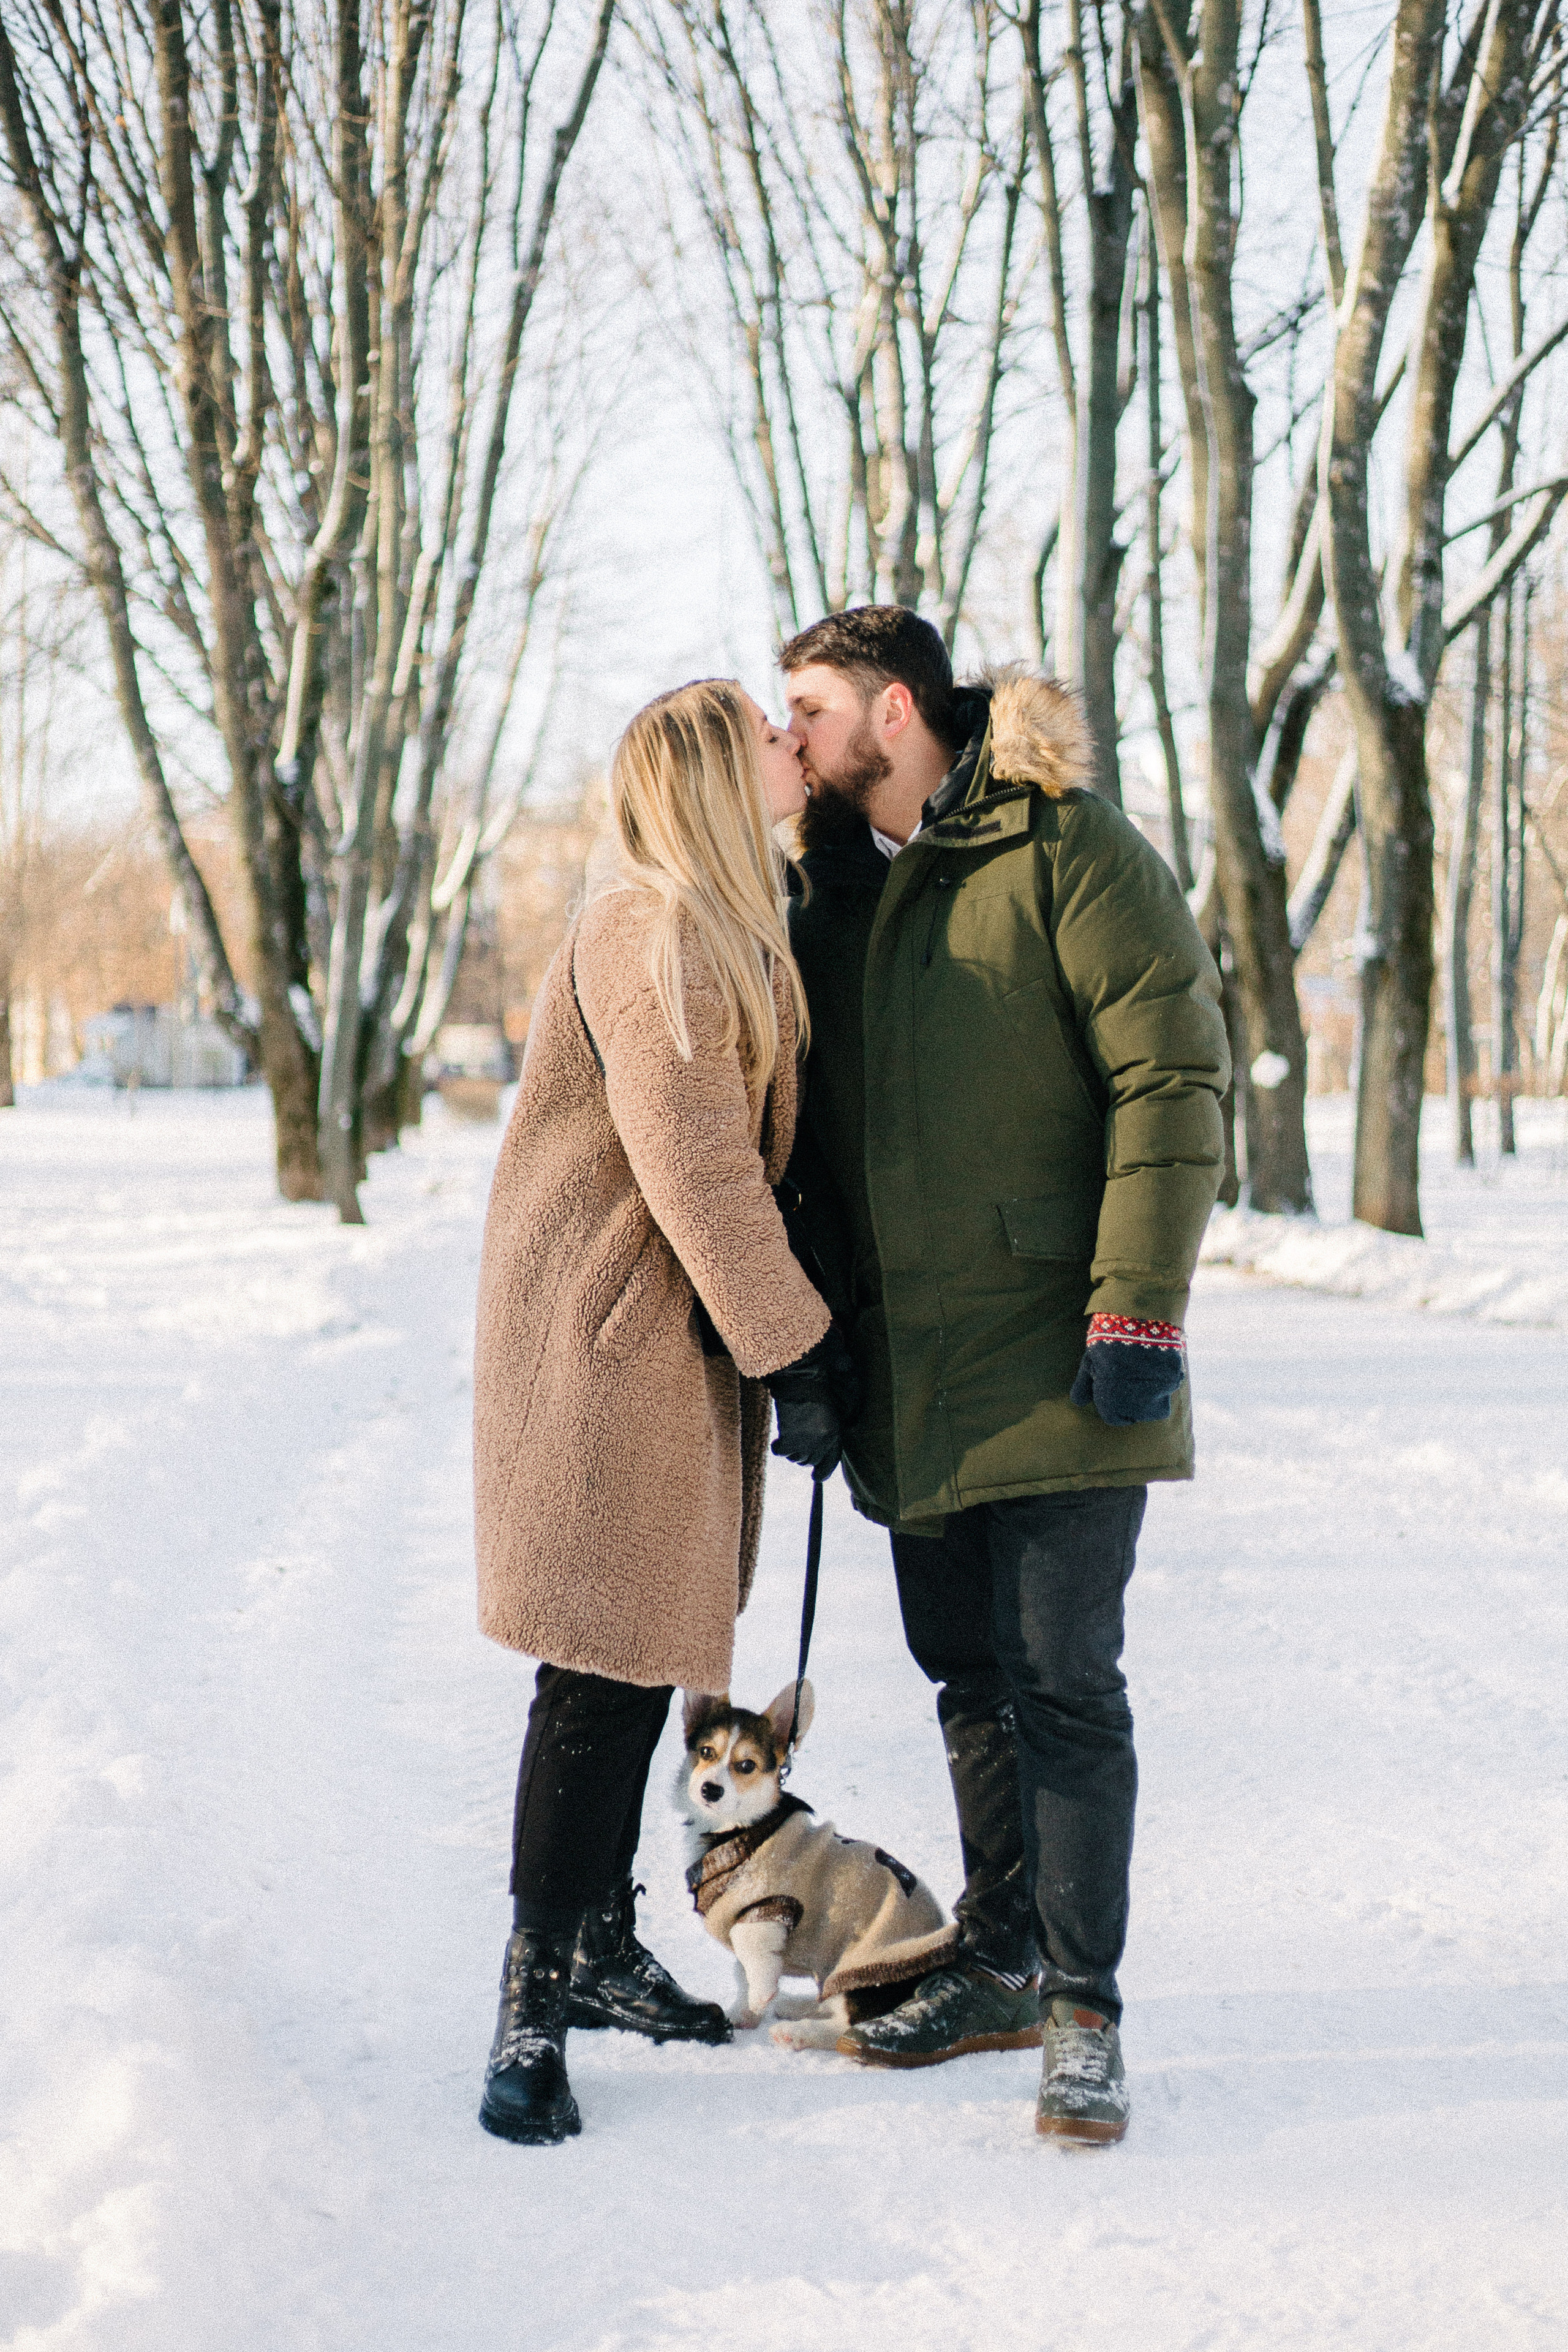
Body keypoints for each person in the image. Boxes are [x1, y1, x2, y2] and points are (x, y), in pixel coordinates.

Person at [779, 607, 1230, 2143]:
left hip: (1059, 1355)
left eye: (809, 710)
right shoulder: (831, 898)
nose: (791, 740)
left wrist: (1136, 1312)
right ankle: (1002, 1953)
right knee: (963, 1676)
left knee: (1060, 1687)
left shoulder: (1065, 848)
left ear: (892, 713)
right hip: (912, 1373)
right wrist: (818, 1351)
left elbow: (1169, 1073)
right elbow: (806, 1157)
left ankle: (1085, 2011)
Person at [470, 680, 853, 2145]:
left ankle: (598, 1947)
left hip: (657, 1333)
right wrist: (793, 1352)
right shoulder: (651, 928)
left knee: (634, 1664)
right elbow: (695, 1165)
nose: (786, 747)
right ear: (702, 773)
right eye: (764, 731)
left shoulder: (707, 918)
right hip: (611, 1338)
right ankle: (527, 1999)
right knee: (595, 1674)